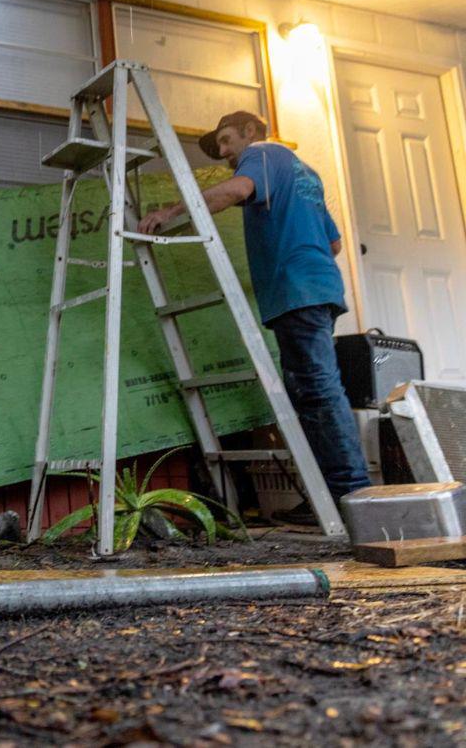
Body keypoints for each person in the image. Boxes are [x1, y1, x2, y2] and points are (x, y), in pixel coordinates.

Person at [138, 110, 372, 520]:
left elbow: (236, 190)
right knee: (309, 393)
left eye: (228, 140)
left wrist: (170, 213)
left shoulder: (262, 153)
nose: (225, 152)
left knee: (318, 390)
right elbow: (333, 243)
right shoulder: (307, 173)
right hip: (318, 288)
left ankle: (354, 497)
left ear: (250, 131)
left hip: (297, 291)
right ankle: (329, 497)